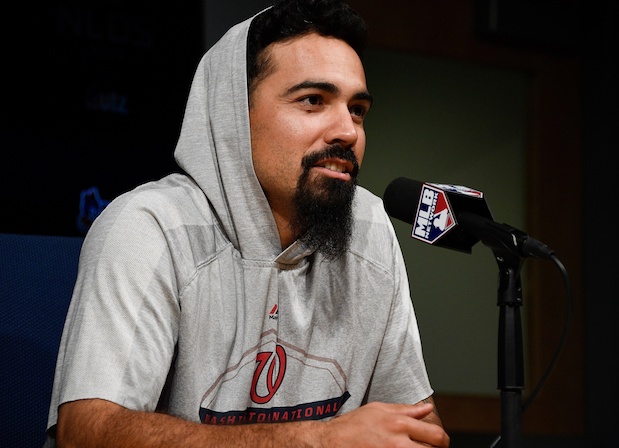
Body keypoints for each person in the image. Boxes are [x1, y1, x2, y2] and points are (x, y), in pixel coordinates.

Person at [45, 0, 451, 446]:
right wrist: (317, 440)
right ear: (233, 114)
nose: (348, 131)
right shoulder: (150, 227)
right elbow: (86, 433)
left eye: (357, 110)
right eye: (313, 101)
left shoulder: (368, 226)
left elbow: (419, 428)